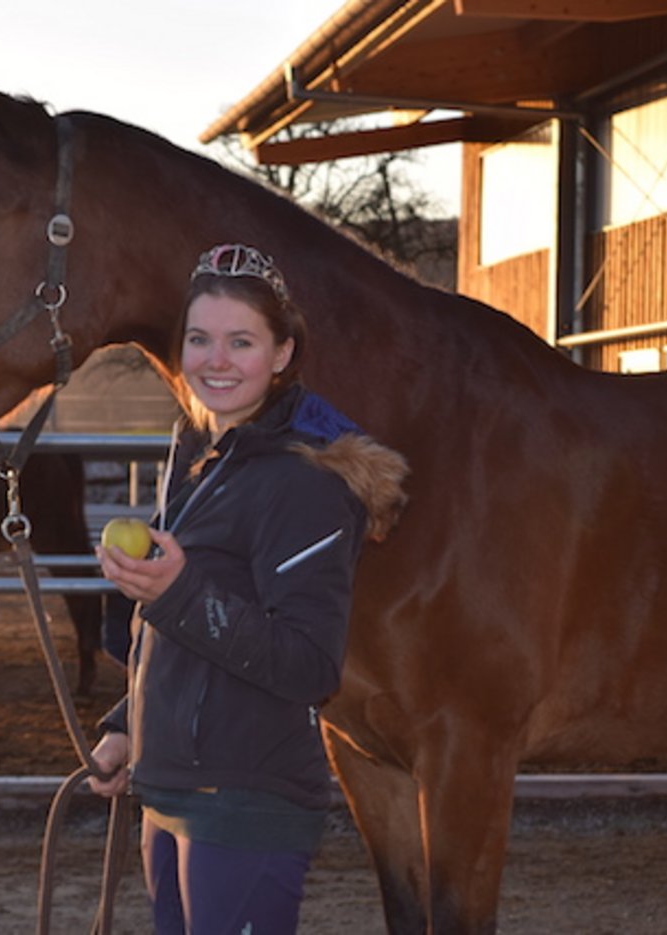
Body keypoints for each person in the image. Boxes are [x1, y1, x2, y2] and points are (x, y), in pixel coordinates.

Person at [89, 243, 409, 934]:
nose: (217, 360)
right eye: (200, 339)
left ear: (282, 353)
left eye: (242, 341)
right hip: (170, 785)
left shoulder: (307, 483)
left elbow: (308, 665)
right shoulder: (198, 454)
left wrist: (176, 591)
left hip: (244, 797)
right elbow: (176, 631)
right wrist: (127, 726)